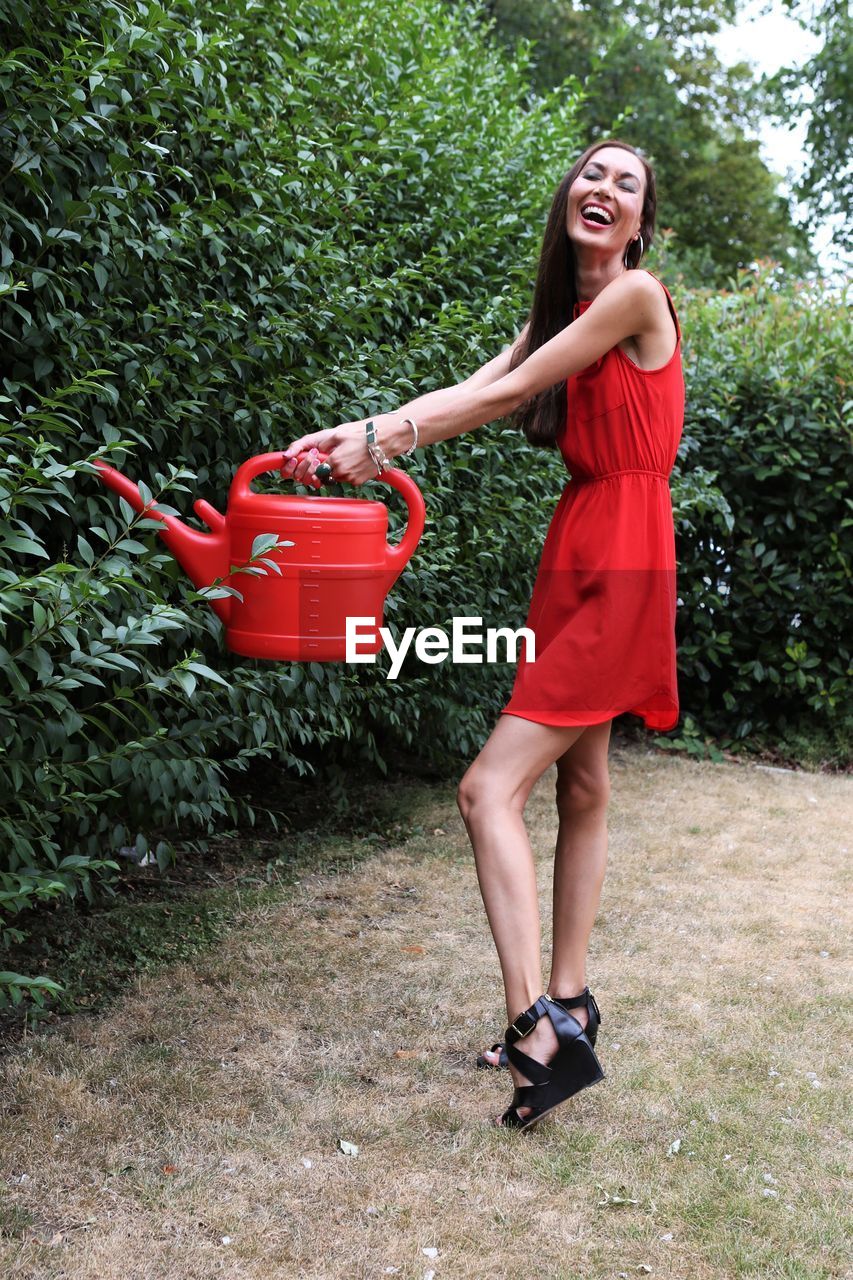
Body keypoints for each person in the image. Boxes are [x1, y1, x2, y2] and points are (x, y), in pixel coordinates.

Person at [282, 138, 684, 1132]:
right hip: (580, 542)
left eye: (624, 184)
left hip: (625, 550)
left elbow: (504, 400)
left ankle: (535, 1035)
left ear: (638, 224)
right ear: (567, 199)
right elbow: (465, 390)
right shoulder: (554, 318)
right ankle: (574, 1000)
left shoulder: (636, 298)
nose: (603, 188)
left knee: (485, 787)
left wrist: (380, 444)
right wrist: (359, 436)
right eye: (591, 173)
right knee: (582, 784)